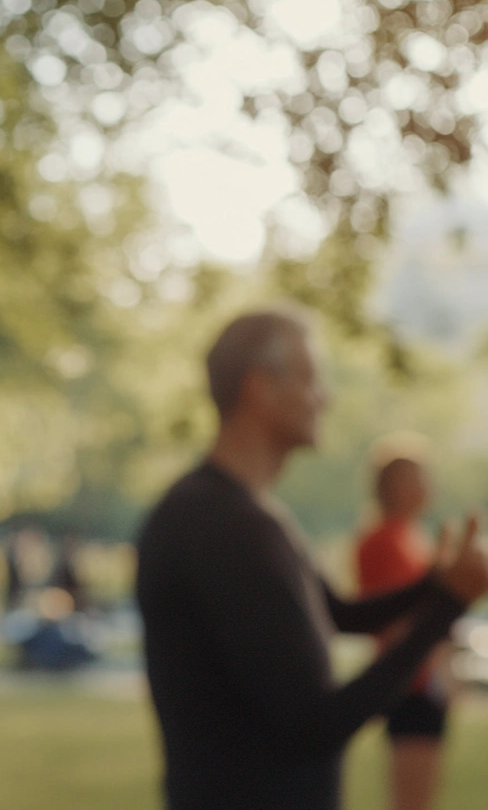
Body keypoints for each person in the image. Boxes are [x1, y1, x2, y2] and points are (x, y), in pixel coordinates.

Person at [135, 308, 488, 810]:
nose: (326, 396)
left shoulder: (252, 513)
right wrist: (449, 604)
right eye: (310, 378)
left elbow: (338, 613)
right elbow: (316, 725)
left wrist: (433, 584)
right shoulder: (222, 525)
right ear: (259, 389)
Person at [356, 449, 452, 810]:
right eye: (419, 476)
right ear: (395, 486)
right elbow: (395, 623)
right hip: (410, 685)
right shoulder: (383, 541)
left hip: (426, 683)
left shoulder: (412, 538)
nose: (429, 486)